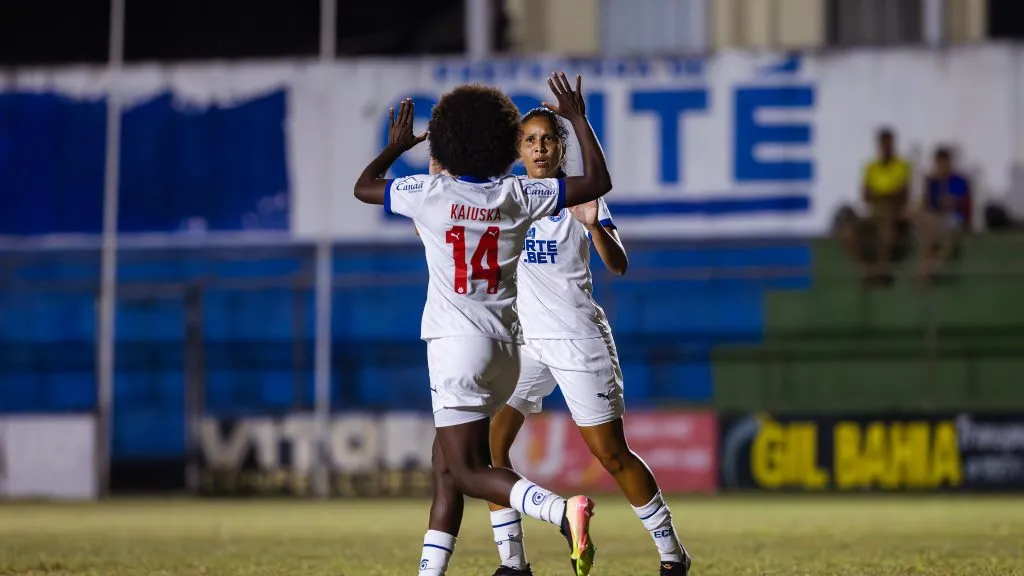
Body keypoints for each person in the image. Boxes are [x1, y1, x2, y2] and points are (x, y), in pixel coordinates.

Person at [353, 73, 612, 576]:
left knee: (468, 470)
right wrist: (578, 120)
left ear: (449, 142)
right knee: (446, 468)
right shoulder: (517, 195)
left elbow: (364, 188)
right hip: (507, 352)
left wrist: (395, 148)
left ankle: (562, 511)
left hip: (457, 348)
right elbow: (597, 183)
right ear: (503, 143)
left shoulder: (428, 192)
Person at [483, 107, 692, 576]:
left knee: (612, 455)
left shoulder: (579, 195)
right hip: (525, 344)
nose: (538, 148)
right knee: (488, 447)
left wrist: (594, 224)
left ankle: (672, 556)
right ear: (518, 150)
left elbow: (618, 265)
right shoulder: (508, 197)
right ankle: (513, 565)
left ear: (560, 147)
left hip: (578, 339)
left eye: (547, 140)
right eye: (529, 140)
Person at [838, 128, 912, 285]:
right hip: (873, 213)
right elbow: (865, 195)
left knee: (887, 233)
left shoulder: (902, 166)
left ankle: (881, 271)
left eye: (888, 143)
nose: (885, 146)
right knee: (847, 232)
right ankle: (865, 271)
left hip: (892, 213)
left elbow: (902, 194)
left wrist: (880, 194)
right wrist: (886, 193)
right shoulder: (871, 167)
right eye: (882, 143)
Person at [913, 146, 971, 283]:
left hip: (953, 218)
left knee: (935, 232)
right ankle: (927, 270)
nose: (942, 165)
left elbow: (954, 204)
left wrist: (944, 185)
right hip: (934, 220)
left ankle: (925, 272)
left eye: (945, 162)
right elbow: (925, 204)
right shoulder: (931, 181)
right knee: (921, 217)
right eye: (939, 162)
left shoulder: (959, 180)